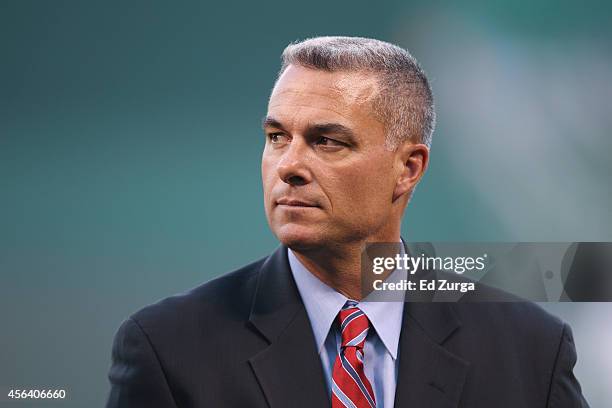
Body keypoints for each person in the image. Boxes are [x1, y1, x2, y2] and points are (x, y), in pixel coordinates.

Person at [106, 36, 588, 407]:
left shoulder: (529, 351)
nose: (288, 165)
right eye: (276, 137)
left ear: (408, 169)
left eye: (326, 141)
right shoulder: (168, 348)